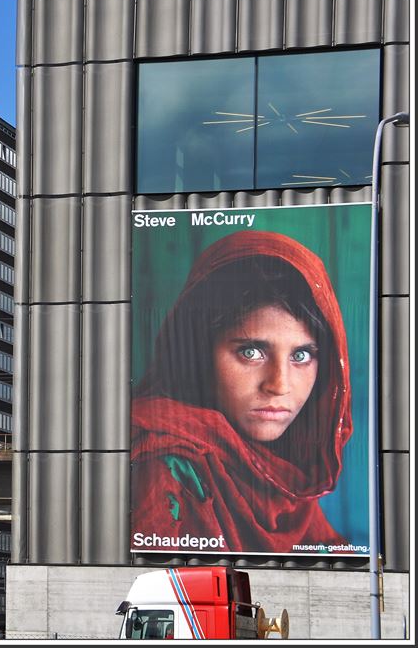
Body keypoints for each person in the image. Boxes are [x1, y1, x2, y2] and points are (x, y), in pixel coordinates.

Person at [130, 229, 353, 554]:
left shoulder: (282, 480)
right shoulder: (162, 470)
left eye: (301, 355)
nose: (278, 385)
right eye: (251, 352)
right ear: (200, 352)